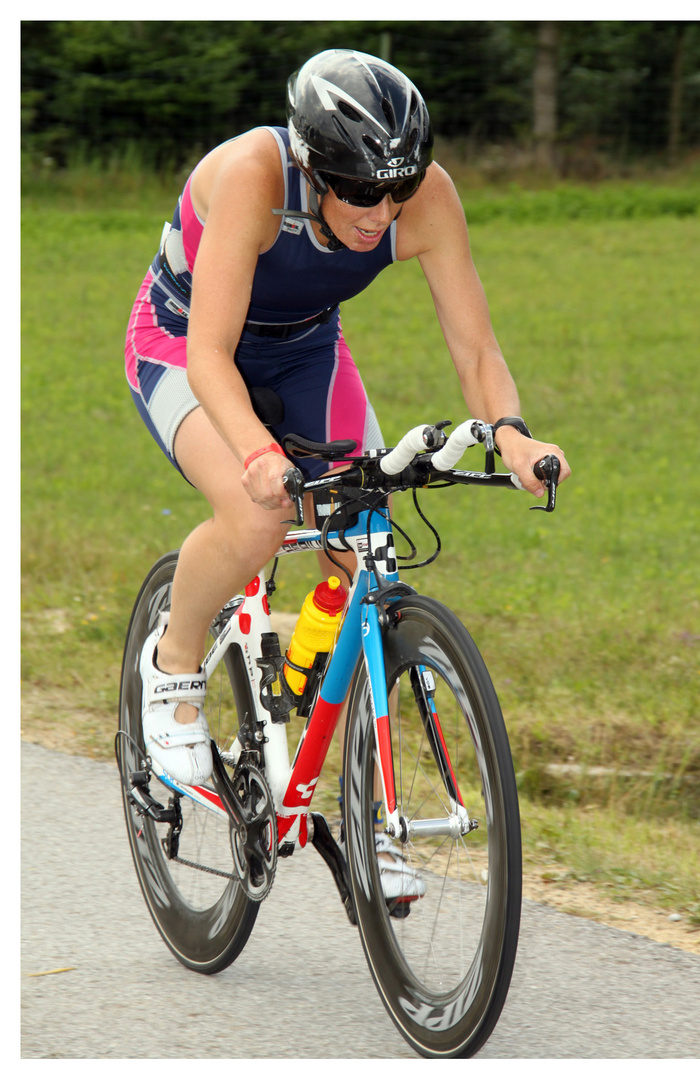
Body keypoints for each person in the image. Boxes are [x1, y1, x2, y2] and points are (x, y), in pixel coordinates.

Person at [126, 49, 570, 901]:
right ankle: (173, 664)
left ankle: (367, 815)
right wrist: (260, 457)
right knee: (257, 523)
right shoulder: (255, 174)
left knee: (365, 545)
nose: (382, 212)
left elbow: (476, 347)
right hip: (185, 343)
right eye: (362, 192)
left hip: (303, 351)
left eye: (396, 191)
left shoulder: (425, 197)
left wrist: (510, 435)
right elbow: (212, 355)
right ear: (311, 164)